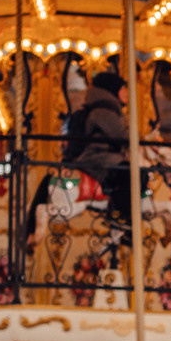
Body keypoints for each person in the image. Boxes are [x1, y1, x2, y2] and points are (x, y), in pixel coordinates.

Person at [63, 69, 132, 226]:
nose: (127, 93)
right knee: (132, 174)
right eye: (124, 89)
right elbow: (121, 135)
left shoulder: (106, 108)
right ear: (114, 90)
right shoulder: (103, 110)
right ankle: (119, 215)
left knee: (131, 172)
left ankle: (121, 218)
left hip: (104, 157)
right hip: (97, 159)